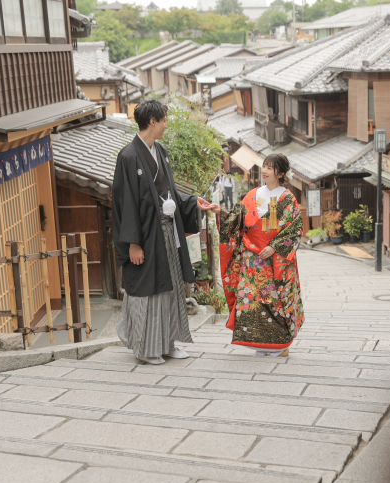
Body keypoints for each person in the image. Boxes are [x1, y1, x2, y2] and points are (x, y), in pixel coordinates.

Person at [112, 99, 217, 365]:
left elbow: (168, 192)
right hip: (145, 236)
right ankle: (146, 348)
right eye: (164, 121)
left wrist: (192, 202)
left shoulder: (161, 151)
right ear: (152, 122)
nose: (166, 125)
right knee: (148, 292)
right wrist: (133, 243)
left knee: (171, 287)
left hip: (167, 233)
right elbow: (125, 202)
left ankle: (167, 344)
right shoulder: (128, 156)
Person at [210, 154, 304, 357]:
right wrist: (220, 212)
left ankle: (279, 345)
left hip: (273, 259)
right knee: (251, 301)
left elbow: (295, 229)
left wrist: (275, 247)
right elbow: (236, 220)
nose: (265, 171)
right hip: (251, 259)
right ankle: (260, 345)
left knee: (274, 301)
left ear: (280, 173)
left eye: (270, 168)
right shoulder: (253, 194)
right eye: (264, 166)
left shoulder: (287, 198)